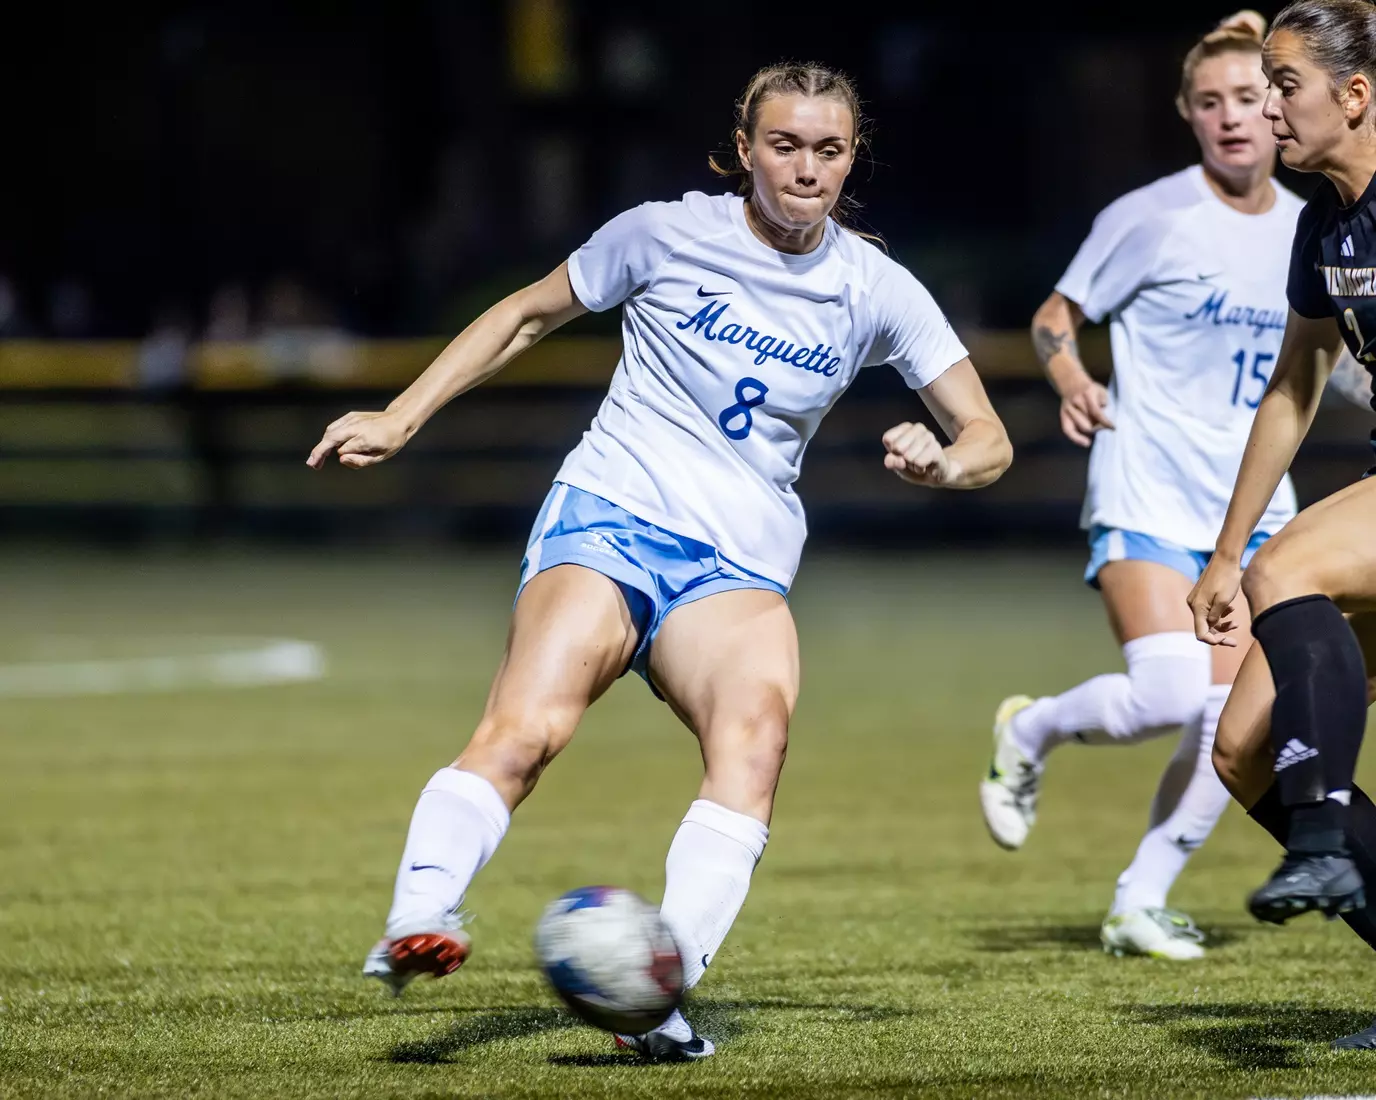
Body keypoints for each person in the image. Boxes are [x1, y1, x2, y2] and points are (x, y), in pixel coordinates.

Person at [307, 61, 1011, 1061]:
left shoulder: (874, 287)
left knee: (754, 744)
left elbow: (988, 437)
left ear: (852, 158)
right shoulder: (663, 233)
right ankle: (420, 912)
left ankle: (652, 995)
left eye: (828, 149)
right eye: (784, 145)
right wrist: (400, 415)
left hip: (738, 560)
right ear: (745, 149)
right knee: (529, 730)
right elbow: (525, 314)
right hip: (615, 512)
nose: (805, 168)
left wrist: (946, 463)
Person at [980, 12, 1309, 961]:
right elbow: (1055, 315)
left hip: (1254, 509)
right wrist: (1070, 377)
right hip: (1148, 489)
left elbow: (1325, 362)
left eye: (1248, 97)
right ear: (1187, 113)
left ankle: (1140, 899)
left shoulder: (1312, 228)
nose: (1231, 117)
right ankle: (1031, 731)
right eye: (1210, 102)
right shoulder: (1150, 216)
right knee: (1170, 693)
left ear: (1279, 106)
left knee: (1234, 717)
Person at [1188, 0, 1376, 1052]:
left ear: (1354, 95)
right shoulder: (1325, 226)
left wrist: (1256, 559)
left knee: (1290, 567)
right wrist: (1224, 552)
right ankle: (1318, 831)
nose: (1266, 109)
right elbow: (1294, 383)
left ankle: (1319, 836)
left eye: (1284, 86)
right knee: (1242, 747)